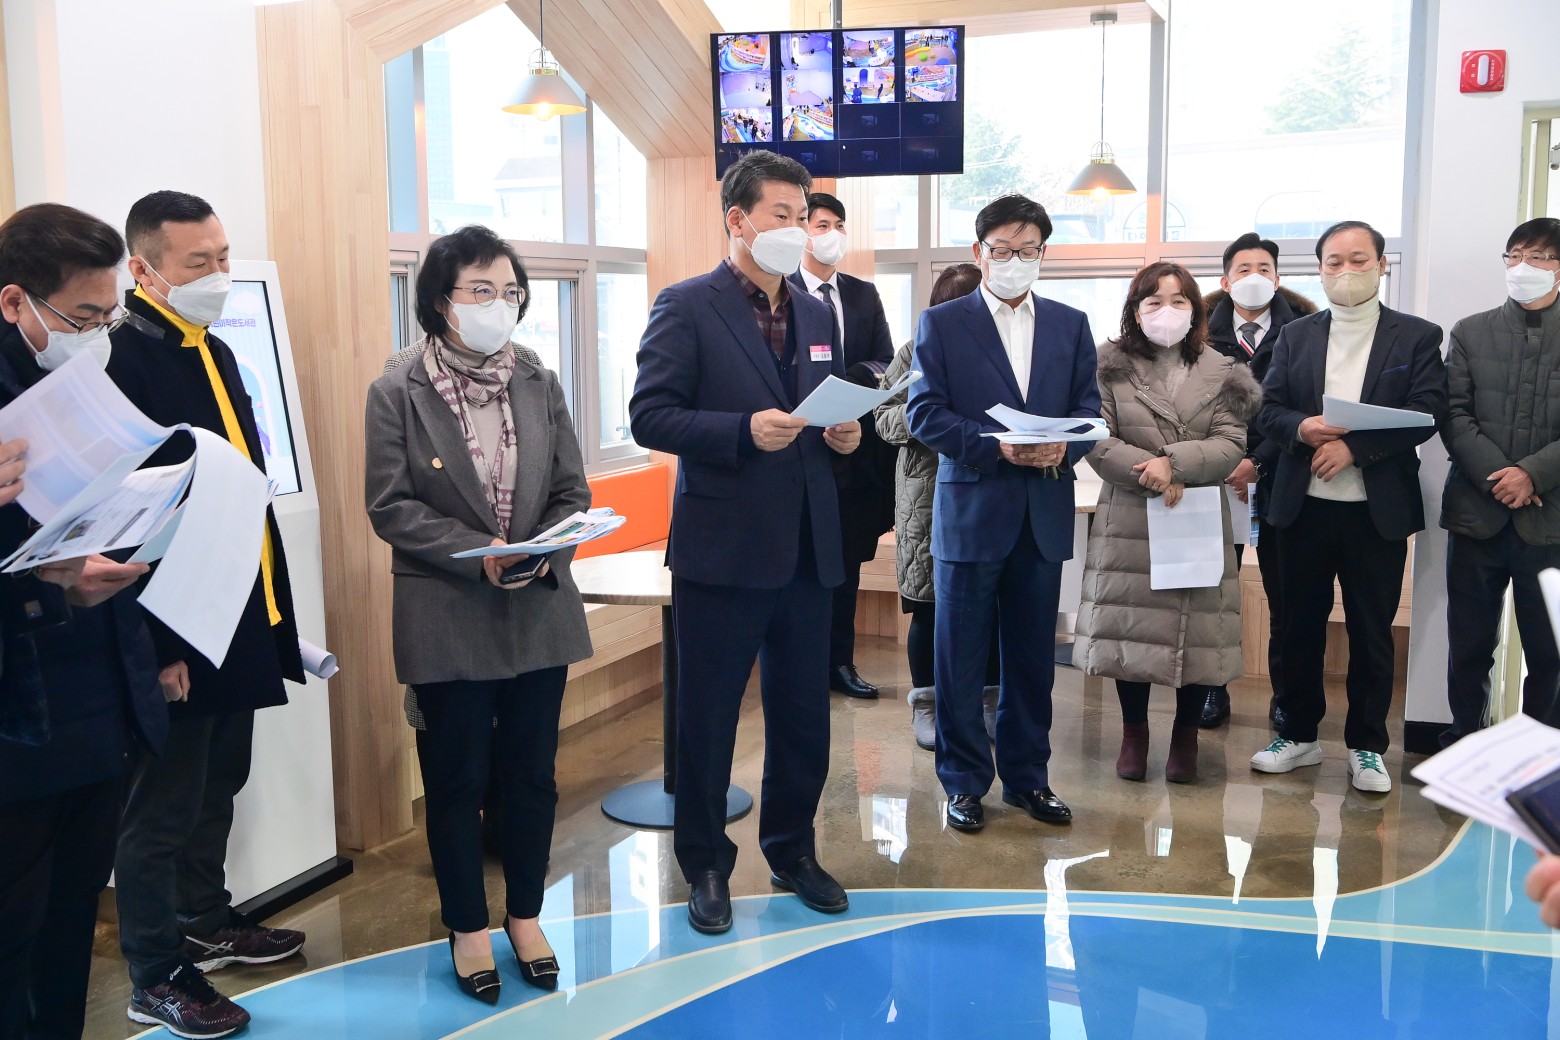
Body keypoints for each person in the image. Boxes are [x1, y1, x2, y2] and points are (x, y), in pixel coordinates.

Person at [630, 149, 860, 935]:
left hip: (808, 546)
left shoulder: (818, 313)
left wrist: (844, 433)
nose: (798, 230)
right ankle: (705, 866)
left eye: (803, 217)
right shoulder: (686, 305)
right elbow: (650, 415)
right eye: (782, 216)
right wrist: (739, 431)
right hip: (723, 548)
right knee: (708, 720)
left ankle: (793, 850)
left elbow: (826, 405)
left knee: (804, 717)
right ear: (738, 219)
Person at [366, 224, 592, 1004]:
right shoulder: (397, 388)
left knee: (532, 778)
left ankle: (524, 917)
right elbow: (390, 504)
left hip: (536, 609)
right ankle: (467, 927)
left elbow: (571, 490)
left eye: (511, 291)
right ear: (441, 299)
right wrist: (478, 550)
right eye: (482, 290)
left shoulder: (537, 378)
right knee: (457, 780)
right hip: (446, 613)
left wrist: (544, 548)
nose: (500, 304)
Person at [107, 190, 307, 1037]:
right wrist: (157, 646)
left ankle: (205, 918)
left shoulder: (217, 351)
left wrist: (275, 614)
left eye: (223, 256)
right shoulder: (120, 362)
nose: (219, 274)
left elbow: (243, 490)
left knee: (219, 782)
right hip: (176, 621)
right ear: (144, 270)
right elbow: (124, 520)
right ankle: (154, 970)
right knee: (160, 809)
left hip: (239, 607)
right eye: (199, 263)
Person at [0, 203, 167, 1040]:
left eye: (109, 318)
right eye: (82, 318)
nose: (98, 336)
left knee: (70, 931)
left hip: (99, 694)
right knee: (14, 940)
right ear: (14, 302)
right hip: (20, 721)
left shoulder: (82, 384)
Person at [906, 193, 1101, 833]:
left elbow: (1089, 412)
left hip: (1042, 513)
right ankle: (963, 782)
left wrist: (1065, 447)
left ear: (1043, 253)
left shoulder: (1071, 324)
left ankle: (1028, 778)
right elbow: (923, 414)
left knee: (1031, 660)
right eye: (1003, 250)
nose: (1015, 261)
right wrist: (996, 447)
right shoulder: (943, 323)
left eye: (1028, 250)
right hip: (971, 510)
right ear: (979, 251)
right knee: (959, 659)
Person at [1251, 220, 1447, 793]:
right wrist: (1303, 428)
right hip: (1300, 506)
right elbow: (1268, 408)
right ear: (1319, 270)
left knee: (1371, 631)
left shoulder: (1416, 336)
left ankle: (1367, 746)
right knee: (1297, 627)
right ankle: (1297, 734)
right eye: (1334, 262)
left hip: (1374, 511)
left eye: (1359, 260)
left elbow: (1426, 412)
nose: (1346, 271)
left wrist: (1354, 449)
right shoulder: (1296, 335)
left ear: (1382, 265)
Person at [1074, 261, 1262, 784]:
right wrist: (1155, 473)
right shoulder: (1108, 368)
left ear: (1196, 310)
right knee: (1130, 629)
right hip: (1131, 514)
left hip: (1194, 512)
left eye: (1179, 300)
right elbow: (1095, 437)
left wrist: (1173, 465)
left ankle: (1186, 736)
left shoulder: (1224, 371)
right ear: (1135, 311)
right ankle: (1134, 734)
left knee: (1199, 634)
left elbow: (1231, 443)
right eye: (1153, 301)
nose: (1166, 311)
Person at [1440, 217, 1560, 746]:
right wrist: (1501, 478)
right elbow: (1453, 415)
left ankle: (1539, 756)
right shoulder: (1470, 331)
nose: (1523, 267)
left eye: (1538, 257)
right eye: (1515, 256)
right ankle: (1467, 743)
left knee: (1550, 652)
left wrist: (1532, 474)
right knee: (1469, 646)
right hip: (1477, 516)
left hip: (1551, 521)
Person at [874, 263, 1001, 751]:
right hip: (926, 498)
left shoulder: (1006, 351)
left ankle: (988, 702)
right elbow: (883, 419)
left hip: (989, 489)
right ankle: (926, 705)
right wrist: (930, 417)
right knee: (927, 607)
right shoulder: (913, 352)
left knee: (991, 606)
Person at [1201, 233, 1317, 731]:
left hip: (1284, 471)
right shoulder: (1197, 332)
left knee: (1286, 593)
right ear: (1226, 281)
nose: (1255, 277)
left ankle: (1286, 695)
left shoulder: (1306, 330)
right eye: (1243, 269)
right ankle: (1212, 687)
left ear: (1277, 277)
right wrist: (1227, 459)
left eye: (1264, 268)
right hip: (1215, 475)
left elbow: (1305, 406)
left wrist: (1258, 462)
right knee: (1213, 591)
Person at [789, 191, 895, 700]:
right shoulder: (782, 290)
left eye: (839, 225)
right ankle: (799, 664)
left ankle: (840, 662)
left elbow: (884, 361)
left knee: (845, 565)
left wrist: (847, 382)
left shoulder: (862, 294)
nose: (831, 234)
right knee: (798, 567)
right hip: (794, 447)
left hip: (852, 449)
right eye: (821, 224)